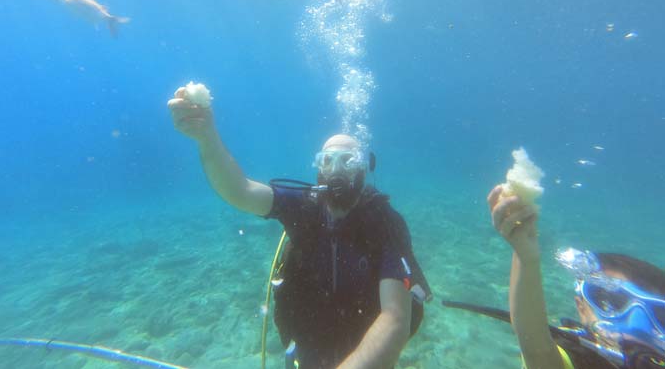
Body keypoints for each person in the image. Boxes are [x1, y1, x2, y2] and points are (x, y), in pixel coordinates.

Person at [168, 86, 431, 369]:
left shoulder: (384, 222)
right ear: (318, 167)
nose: (336, 169)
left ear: (364, 168)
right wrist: (207, 137)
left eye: (348, 161)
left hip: (367, 353)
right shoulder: (303, 207)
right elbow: (240, 191)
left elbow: (394, 318)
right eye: (327, 160)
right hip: (309, 349)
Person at [445, 185, 665, 369]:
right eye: (611, 302)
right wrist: (525, 256)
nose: (636, 326)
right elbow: (537, 349)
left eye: (660, 315)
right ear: (581, 308)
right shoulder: (584, 360)